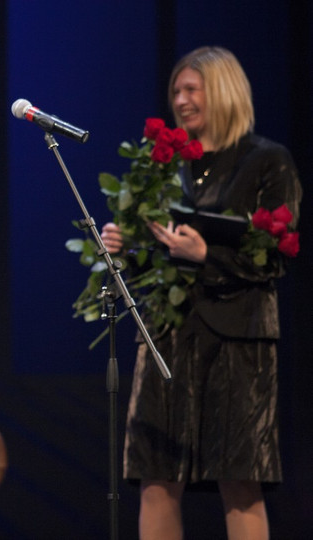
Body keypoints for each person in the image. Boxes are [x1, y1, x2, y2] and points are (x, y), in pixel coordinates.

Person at [101, 47, 302, 539]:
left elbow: (276, 257)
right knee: (157, 477)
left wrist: (205, 255)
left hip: (239, 340)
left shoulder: (267, 160)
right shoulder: (163, 166)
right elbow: (151, 255)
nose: (181, 100)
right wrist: (124, 249)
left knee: (240, 480)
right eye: (176, 91)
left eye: (192, 89)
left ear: (224, 91)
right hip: (169, 334)